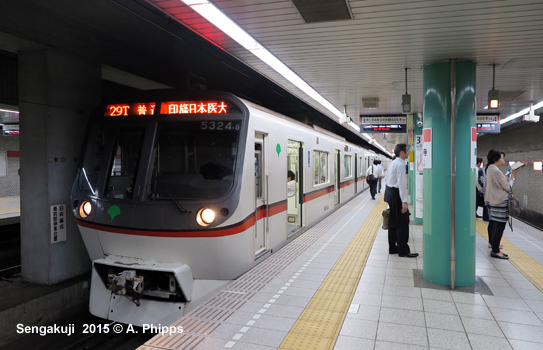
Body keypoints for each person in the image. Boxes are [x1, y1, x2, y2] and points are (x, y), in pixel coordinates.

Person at [484, 149, 522, 259]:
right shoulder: (496, 171)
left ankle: (494, 246)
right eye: (501, 158)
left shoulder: (490, 168)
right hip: (499, 201)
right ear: (496, 159)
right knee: (499, 226)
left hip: (493, 200)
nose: (503, 160)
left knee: (494, 225)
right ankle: (496, 251)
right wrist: (513, 175)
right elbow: (508, 187)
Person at [385, 143, 418, 257]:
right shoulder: (400, 165)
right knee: (402, 223)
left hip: (390, 193)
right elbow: (402, 185)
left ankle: (393, 248)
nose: (409, 152)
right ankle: (403, 250)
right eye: (407, 151)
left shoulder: (392, 163)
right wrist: (404, 202)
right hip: (396, 195)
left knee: (393, 222)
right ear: (402, 153)